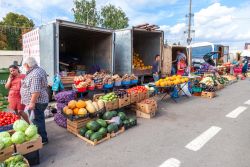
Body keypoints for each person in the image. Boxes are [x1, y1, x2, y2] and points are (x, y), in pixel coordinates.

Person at [20, 57, 49, 144]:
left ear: (27, 65)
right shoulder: (38, 70)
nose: (24, 67)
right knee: (39, 119)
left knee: (37, 121)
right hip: (39, 101)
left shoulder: (35, 74)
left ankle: (43, 139)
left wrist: (32, 102)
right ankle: (42, 137)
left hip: (37, 102)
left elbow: (36, 90)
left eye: (24, 65)